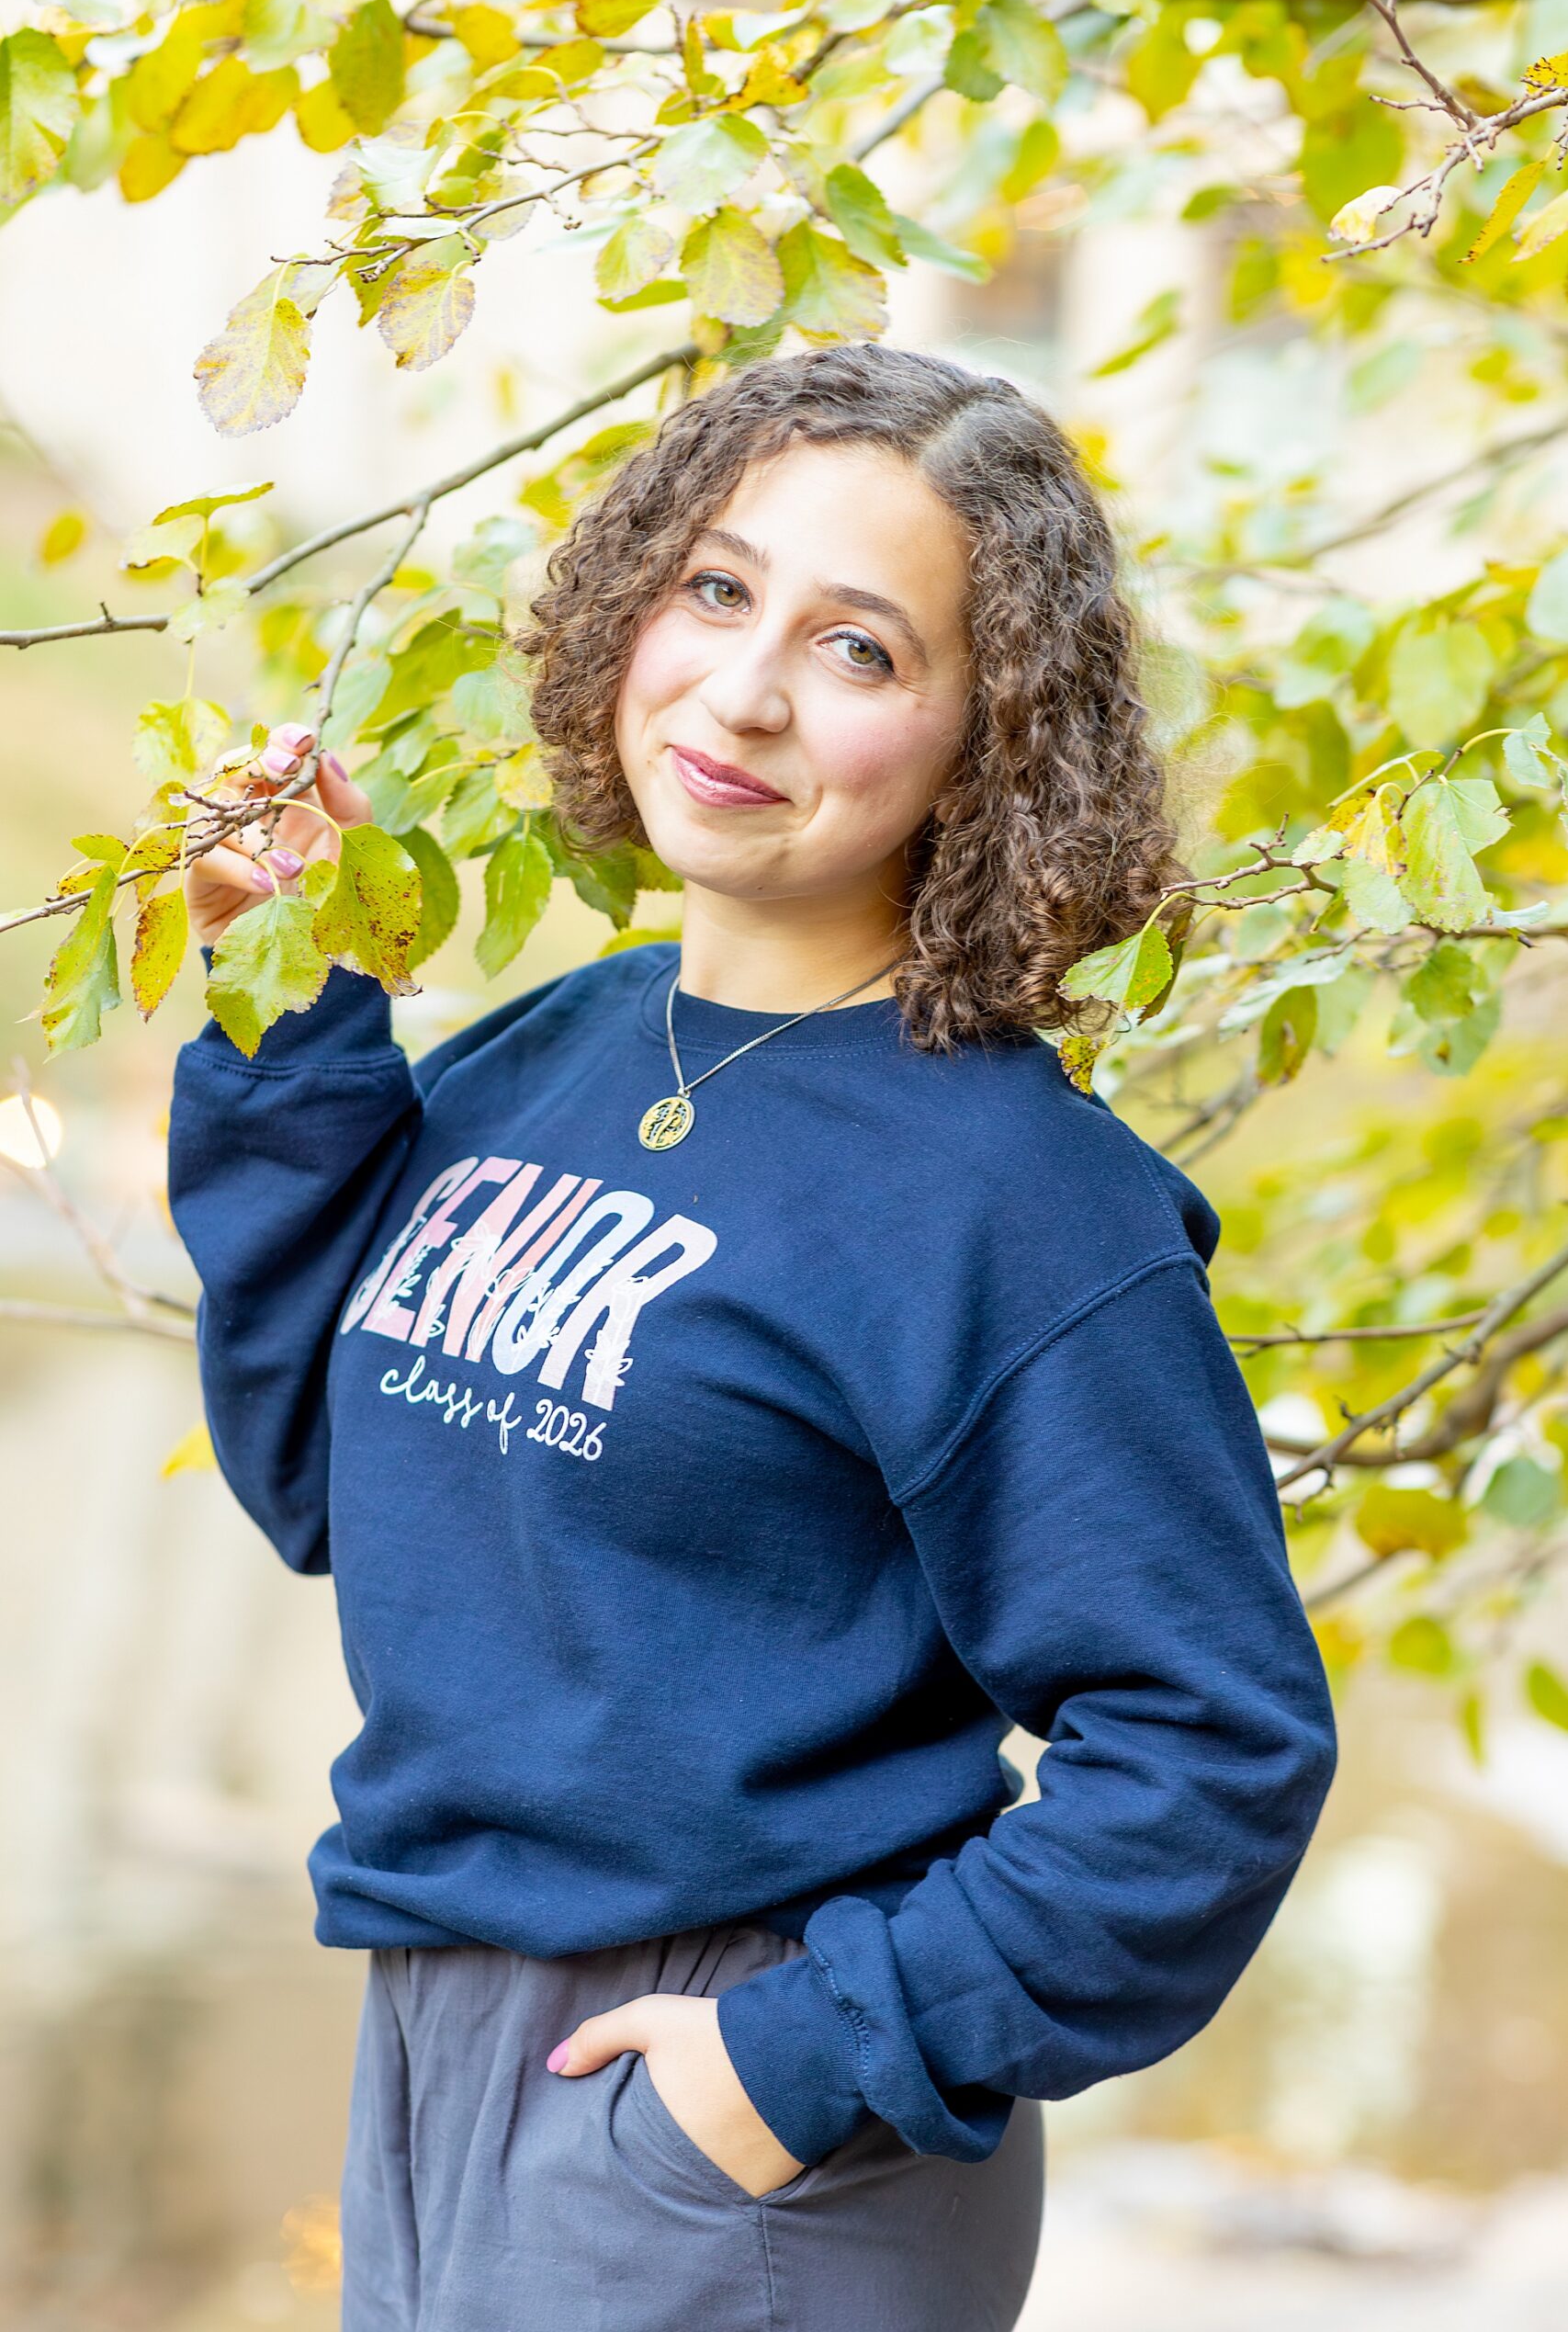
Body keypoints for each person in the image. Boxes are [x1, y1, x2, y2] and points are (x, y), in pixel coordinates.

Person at [168, 343, 1337, 2332]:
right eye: (715, 590)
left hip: (742, 2118)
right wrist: (290, 1018)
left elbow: (1211, 1752)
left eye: (859, 647)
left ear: (987, 736)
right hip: (438, 2043)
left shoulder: (1013, 1201)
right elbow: (317, 1477)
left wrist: (786, 2066)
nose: (742, 689)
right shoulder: (568, 1044)